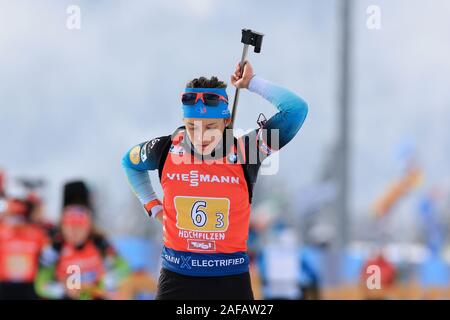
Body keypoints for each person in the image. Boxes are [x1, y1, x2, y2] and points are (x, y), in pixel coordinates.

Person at [122, 61, 308, 300]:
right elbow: (130, 163)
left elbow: (296, 110)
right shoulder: (167, 149)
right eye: (192, 126)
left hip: (229, 280)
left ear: (226, 122)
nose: (200, 136)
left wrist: (252, 83)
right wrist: (153, 206)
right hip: (177, 277)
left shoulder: (246, 150)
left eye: (210, 126)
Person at [35, 205, 129, 300]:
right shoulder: (55, 249)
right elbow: (41, 286)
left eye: (79, 227)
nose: (74, 232)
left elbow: (123, 268)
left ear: (88, 228)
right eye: (69, 227)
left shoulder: (100, 243)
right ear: (62, 227)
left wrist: (104, 284)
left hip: (97, 294)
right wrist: (63, 290)